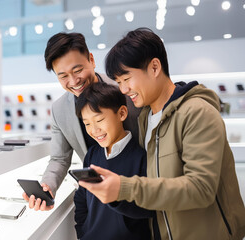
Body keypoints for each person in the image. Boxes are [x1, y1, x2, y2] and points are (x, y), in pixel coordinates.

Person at [78, 27, 245, 240]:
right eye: (118, 82)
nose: (123, 90)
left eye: (127, 79)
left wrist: (125, 188)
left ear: (154, 67)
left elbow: (201, 188)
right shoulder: (144, 119)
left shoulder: (197, 112)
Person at [22, 32, 141, 211]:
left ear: (91, 60)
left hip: (139, 191)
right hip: (98, 202)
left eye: (77, 70)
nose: (73, 81)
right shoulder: (59, 110)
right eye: (63, 76)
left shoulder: (124, 89)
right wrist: (47, 187)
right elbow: (60, 158)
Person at [74, 82, 158, 240]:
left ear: (122, 113)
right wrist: (82, 232)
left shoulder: (141, 158)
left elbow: (149, 208)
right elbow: (81, 199)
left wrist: (116, 196)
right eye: (87, 123)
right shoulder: (92, 155)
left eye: (99, 120)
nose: (94, 129)